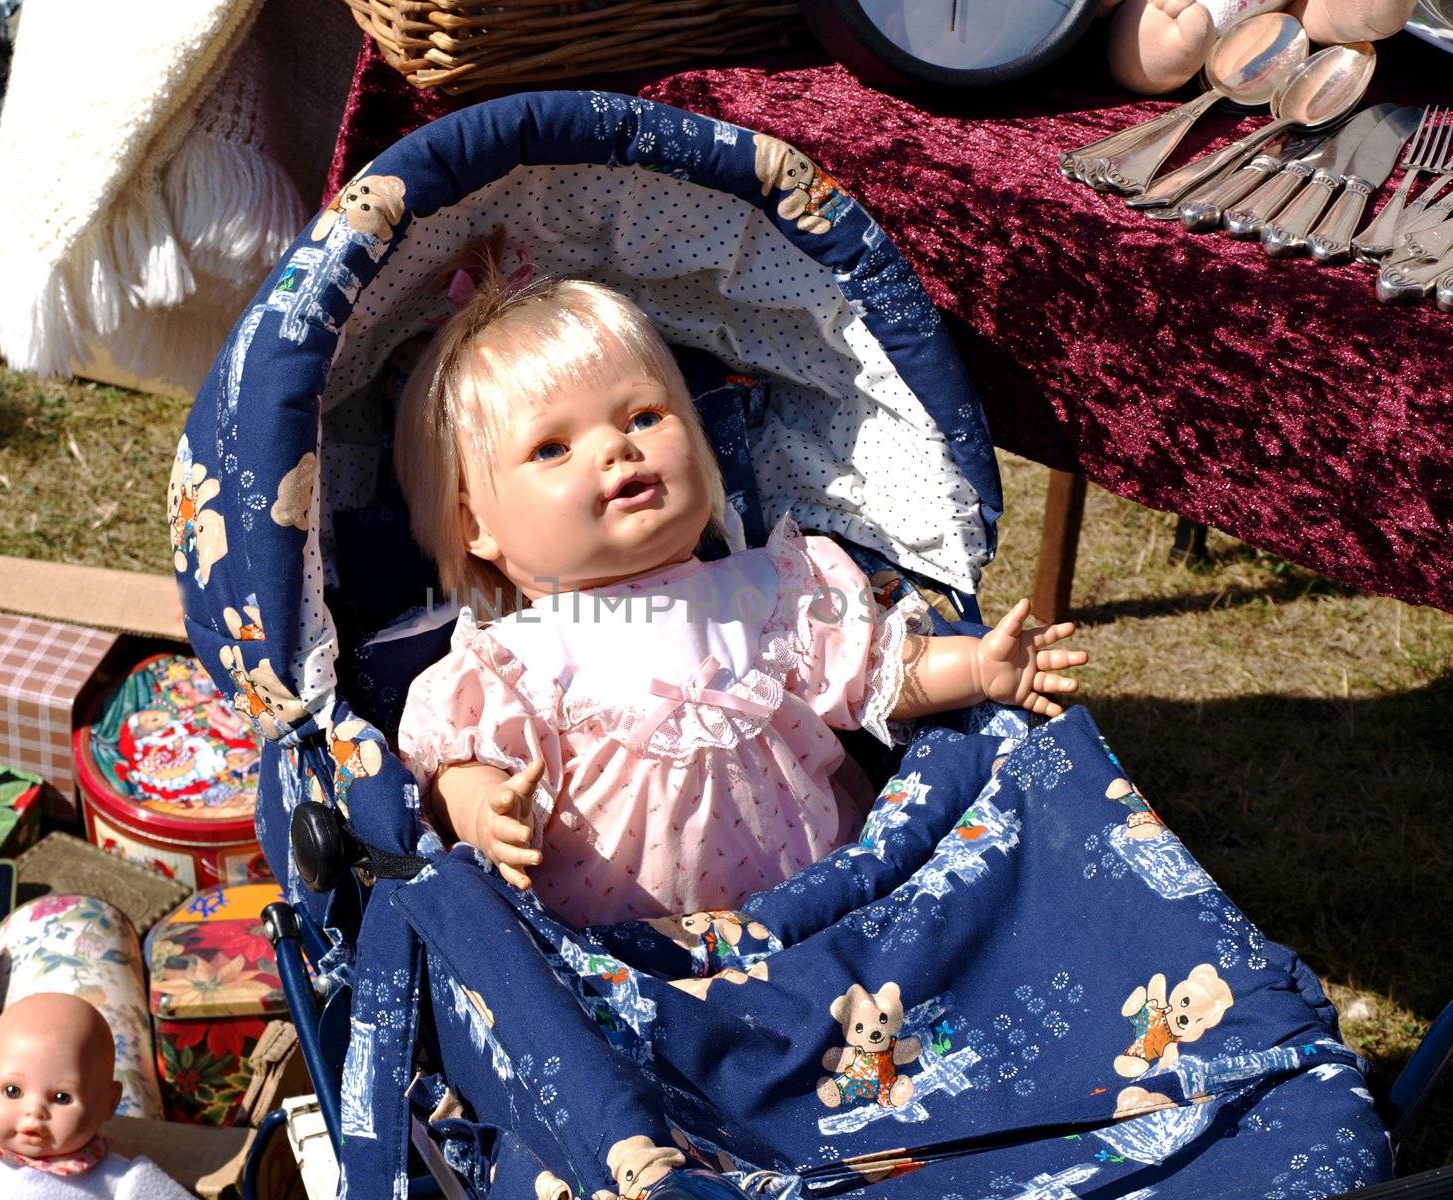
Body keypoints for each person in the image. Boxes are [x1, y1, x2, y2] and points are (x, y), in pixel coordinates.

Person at [394, 247, 1087, 928]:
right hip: (623, 958)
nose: (616, 448)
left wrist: (978, 668)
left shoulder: (772, 587)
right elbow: (459, 760)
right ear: (476, 525)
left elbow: (874, 673)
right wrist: (485, 813)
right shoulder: (513, 659)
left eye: (644, 418)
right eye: (552, 448)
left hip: (819, 911)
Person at [0, 993, 192, 1199]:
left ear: (108, 1103)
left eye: (62, 1097)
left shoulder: (120, 1181)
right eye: (12, 1091)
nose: (35, 1110)